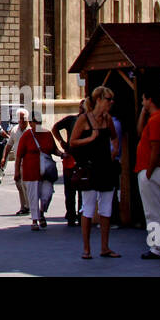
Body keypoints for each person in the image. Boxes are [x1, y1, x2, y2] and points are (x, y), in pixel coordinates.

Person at [70, 86, 121, 259]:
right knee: (88, 208)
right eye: (108, 99)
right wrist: (90, 138)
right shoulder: (84, 119)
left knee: (106, 208)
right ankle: (86, 249)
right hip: (90, 168)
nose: (111, 102)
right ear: (99, 99)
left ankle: (105, 247)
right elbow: (73, 142)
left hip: (106, 167)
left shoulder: (108, 119)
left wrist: (115, 150)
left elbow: (114, 137)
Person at [134, 85, 160, 259]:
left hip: (152, 171)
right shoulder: (159, 117)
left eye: (143, 99)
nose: (142, 102)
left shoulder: (157, 120)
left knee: (152, 212)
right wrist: (143, 111)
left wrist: (148, 171)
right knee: (156, 210)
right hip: (154, 170)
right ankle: (158, 245)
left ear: (149, 100)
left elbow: (156, 148)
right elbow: (141, 133)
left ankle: (158, 247)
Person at [14, 113, 64, 230]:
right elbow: (19, 155)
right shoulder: (27, 136)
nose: (38, 124)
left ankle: (41, 212)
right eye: (35, 122)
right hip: (31, 171)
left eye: (39, 122)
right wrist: (17, 171)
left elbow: (53, 149)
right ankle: (35, 220)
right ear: (31, 124)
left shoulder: (47, 134)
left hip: (46, 171)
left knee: (47, 194)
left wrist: (62, 154)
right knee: (33, 196)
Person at [53, 100, 86, 225]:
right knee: (70, 189)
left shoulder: (89, 122)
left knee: (82, 189)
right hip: (71, 158)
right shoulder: (71, 120)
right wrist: (61, 142)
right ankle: (71, 214)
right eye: (80, 107)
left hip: (82, 159)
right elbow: (55, 128)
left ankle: (81, 214)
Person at [3, 108, 30, 216]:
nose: (22, 121)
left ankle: (28, 206)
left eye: (24, 119)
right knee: (19, 184)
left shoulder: (31, 130)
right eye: (20, 119)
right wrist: (4, 158)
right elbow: (9, 145)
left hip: (29, 161)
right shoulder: (14, 130)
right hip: (18, 161)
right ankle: (23, 206)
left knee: (26, 184)